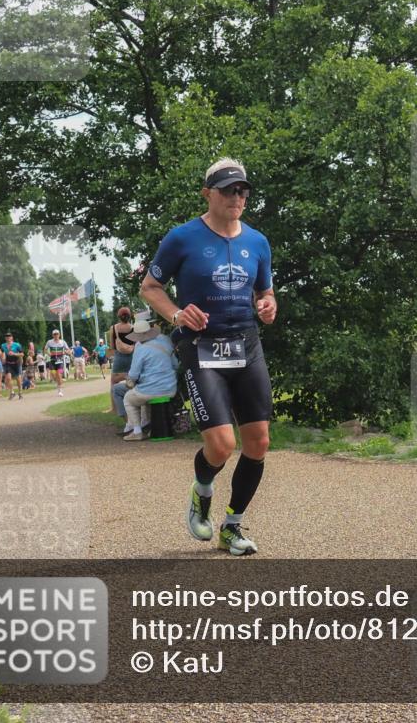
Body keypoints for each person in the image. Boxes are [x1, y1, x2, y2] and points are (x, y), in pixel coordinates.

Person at [140, 157, 275, 556]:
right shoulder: (182, 238)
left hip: (247, 345)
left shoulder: (257, 241)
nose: (238, 197)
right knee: (220, 445)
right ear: (208, 194)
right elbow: (150, 287)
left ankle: (231, 525)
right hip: (202, 348)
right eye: (229, 190)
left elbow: (265, 293)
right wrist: (178, 314)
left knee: (259, 443)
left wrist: (268, 305)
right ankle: (202, 494)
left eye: (243, 191)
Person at [113, 318, 178, 441]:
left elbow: (133, 375)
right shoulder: (165, 341)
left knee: (128, 399)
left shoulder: (141, 349)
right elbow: (175, 365)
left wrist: (129, 380)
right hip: (171, 388)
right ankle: (148, 426)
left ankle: (137, 431)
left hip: (151, 390)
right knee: (142, 397)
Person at [108, 307, 136, 412]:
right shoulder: (133, 328)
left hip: (119, 357)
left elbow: (112, 345)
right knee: (132, 380)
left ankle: (114, 408)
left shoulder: (113, 328)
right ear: (130, 316)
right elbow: (136, 344)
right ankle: (134, 403)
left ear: (119, 317)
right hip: (131, 358)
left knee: (113, 382)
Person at [43, 329, 70, 396]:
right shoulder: (49, 342)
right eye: (54, 334)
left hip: (60, 361)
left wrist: (66, 352)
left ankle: (60, 390)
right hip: (52, 361)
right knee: (53, 374)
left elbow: (68, 350)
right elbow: (45, 349)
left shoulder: (62, 342)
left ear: (59, 335)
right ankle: (59, 383)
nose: (56, 335)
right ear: (52, 335)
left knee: (59, 374)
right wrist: (48, 354)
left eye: (57, 334)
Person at [0, 332, 25, 399]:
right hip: (8, 363)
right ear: (5, 338)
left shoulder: (17, 345)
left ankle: (20, 392)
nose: (8, 337)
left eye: (9, 336)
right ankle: (12, 392)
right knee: (8, 378)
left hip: (16, 363)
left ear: (12, 337)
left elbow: (22, 354)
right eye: (6, 336)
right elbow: (3, 353)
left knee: (18, 379)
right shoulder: (3, 345)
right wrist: (3, 358)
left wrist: (14, 354)